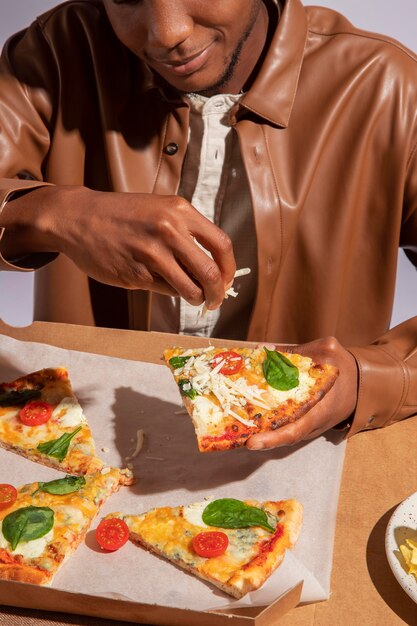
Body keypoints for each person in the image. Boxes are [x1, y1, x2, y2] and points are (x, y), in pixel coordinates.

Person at [0, 0, 416, 451]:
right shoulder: (57, 51)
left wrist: (372, 376)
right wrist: (56, 212)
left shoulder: (389, 88)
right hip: (77, 444)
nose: (166, 33)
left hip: (298, 453)